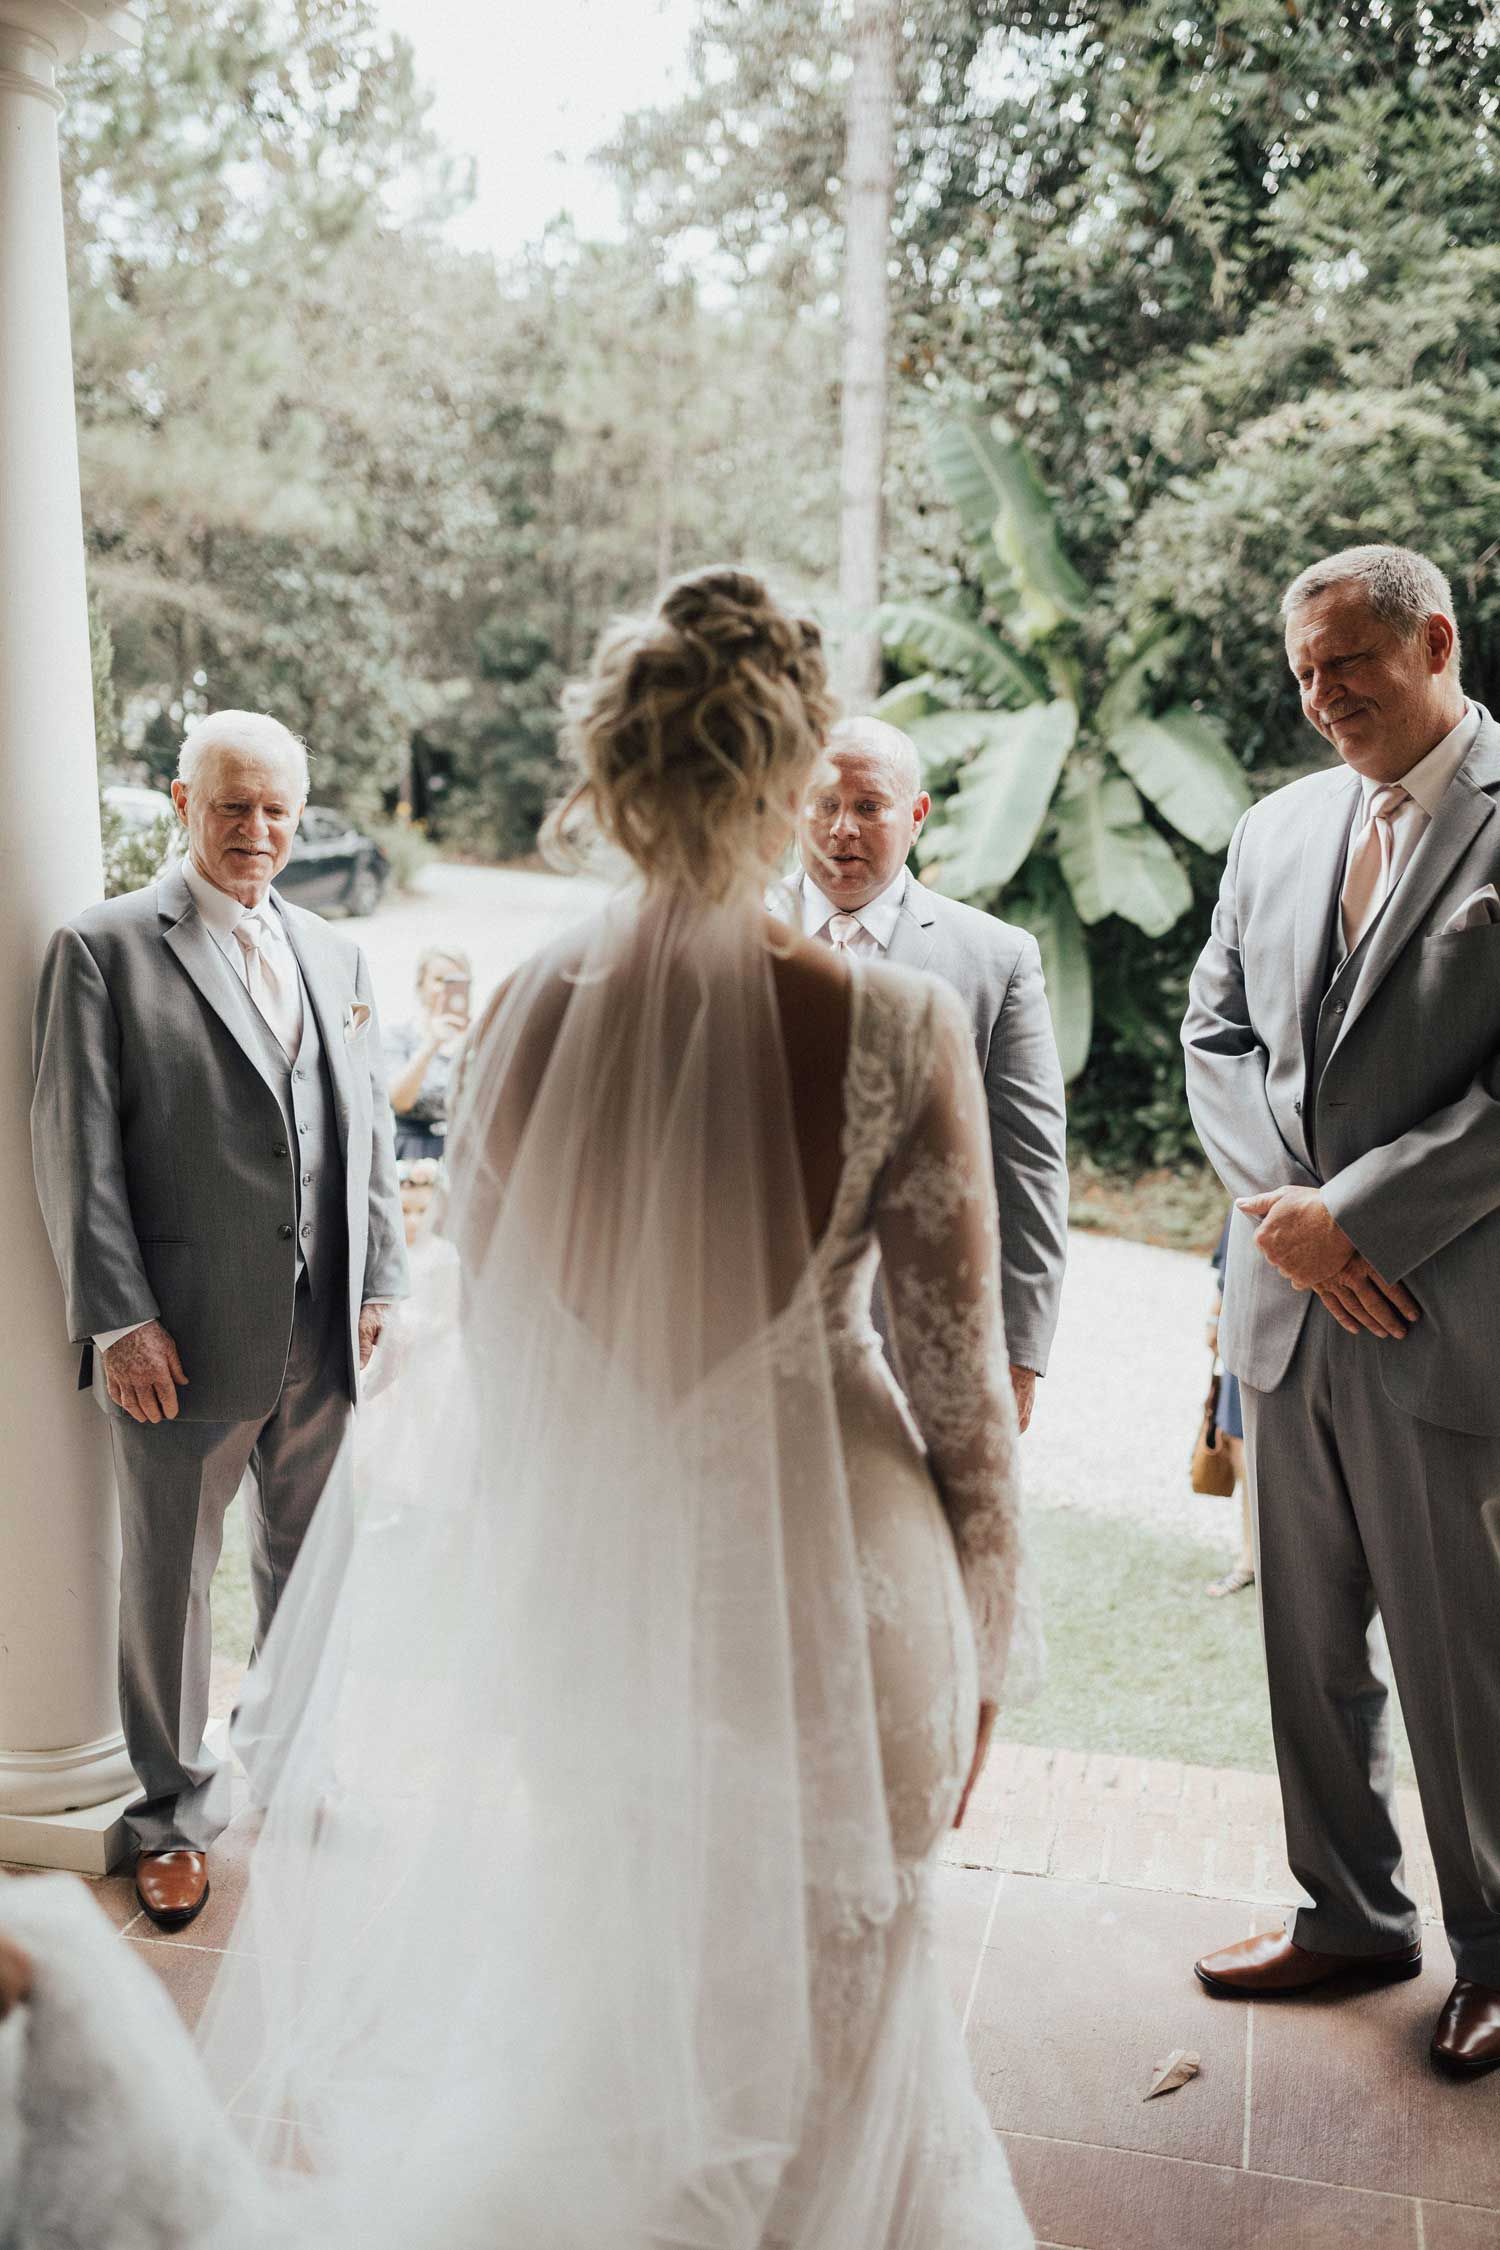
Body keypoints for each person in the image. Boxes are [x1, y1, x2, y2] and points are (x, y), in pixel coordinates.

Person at [2, 571, 1037, 2248]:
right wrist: (986, 1652)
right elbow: (970, 1426)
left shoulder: (533, 1030)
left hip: (605, 1624)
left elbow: (524, 1375)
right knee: (849, 2044)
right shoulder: (893, 1030)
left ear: (612, 776)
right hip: (843, 1615)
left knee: (630, 2010)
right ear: (786, 782)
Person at [1183, 543, 1500, 2077]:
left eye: (1346, 665)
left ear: (1433, 640)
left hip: (1440, 1314)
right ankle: (1349, 1912)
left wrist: (1356, 1217)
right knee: (1306, 1644)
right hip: (1289, 1309)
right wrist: (1290, 1230)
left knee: (1464, 1649)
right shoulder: (1274, 826)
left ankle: (1498, 1949)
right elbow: (1215, 1028)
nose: (1321, 700)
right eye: (1303, 674)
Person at [29, 710, 408, 1936]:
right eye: (234, 805)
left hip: (323, 1327)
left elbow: (371, 1132)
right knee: (169, 1588)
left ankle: (293, 1764)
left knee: (310, 1565)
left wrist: (379, 1280)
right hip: (178, 1335)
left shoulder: (338, 954)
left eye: (278, 811)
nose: (257, 832)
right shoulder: (105, 949)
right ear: (182, 800)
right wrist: (118, 1321)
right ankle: (170, 1819)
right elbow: (73, 1153)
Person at [790, 715, 1069, 1430]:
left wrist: (1020, 1349)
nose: (842, 829)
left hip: (921, 1341)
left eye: (869, 806)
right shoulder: (731, 933)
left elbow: (1029, 1169)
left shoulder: (995, 958)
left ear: (915, 816)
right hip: (749, 1325)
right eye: (824, 804)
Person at [383, 945, 473, 1160]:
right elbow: (399, 1101)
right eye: (439, 979)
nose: (446, 988)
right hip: (413, 1152)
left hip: (465, 1150)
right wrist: (432, 1043)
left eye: (456, 980)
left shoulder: (479, 1037)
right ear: (420, 985)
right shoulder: (398, 1036)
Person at [1204, 1213, 1253, 1599]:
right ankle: (1250, 1558)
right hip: (1242, 1321)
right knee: (1238, 1443)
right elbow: (1227, 1261)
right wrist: (1214, 1317)